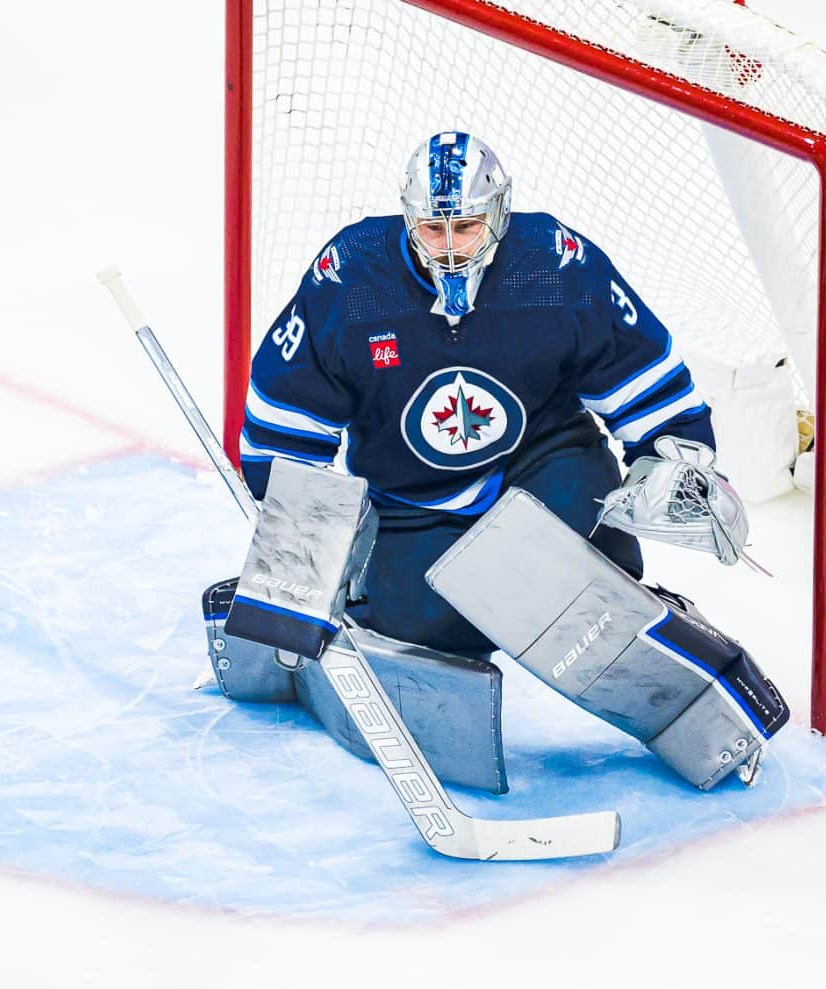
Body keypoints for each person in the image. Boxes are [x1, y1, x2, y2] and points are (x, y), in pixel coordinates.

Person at [238, 131, 731, 657]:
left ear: (499, 212)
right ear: (409, 219)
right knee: (416, 630)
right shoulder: (352, 278)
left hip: (542, 468)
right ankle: (393, 609)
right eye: (434, 228)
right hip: (412, 499)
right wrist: (307, 543)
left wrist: (675, 457)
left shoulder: (556, 265)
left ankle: (620, 613)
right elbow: (286, 417)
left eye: (468, 226)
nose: (451, 248)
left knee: (597, 574)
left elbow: (636, 367)